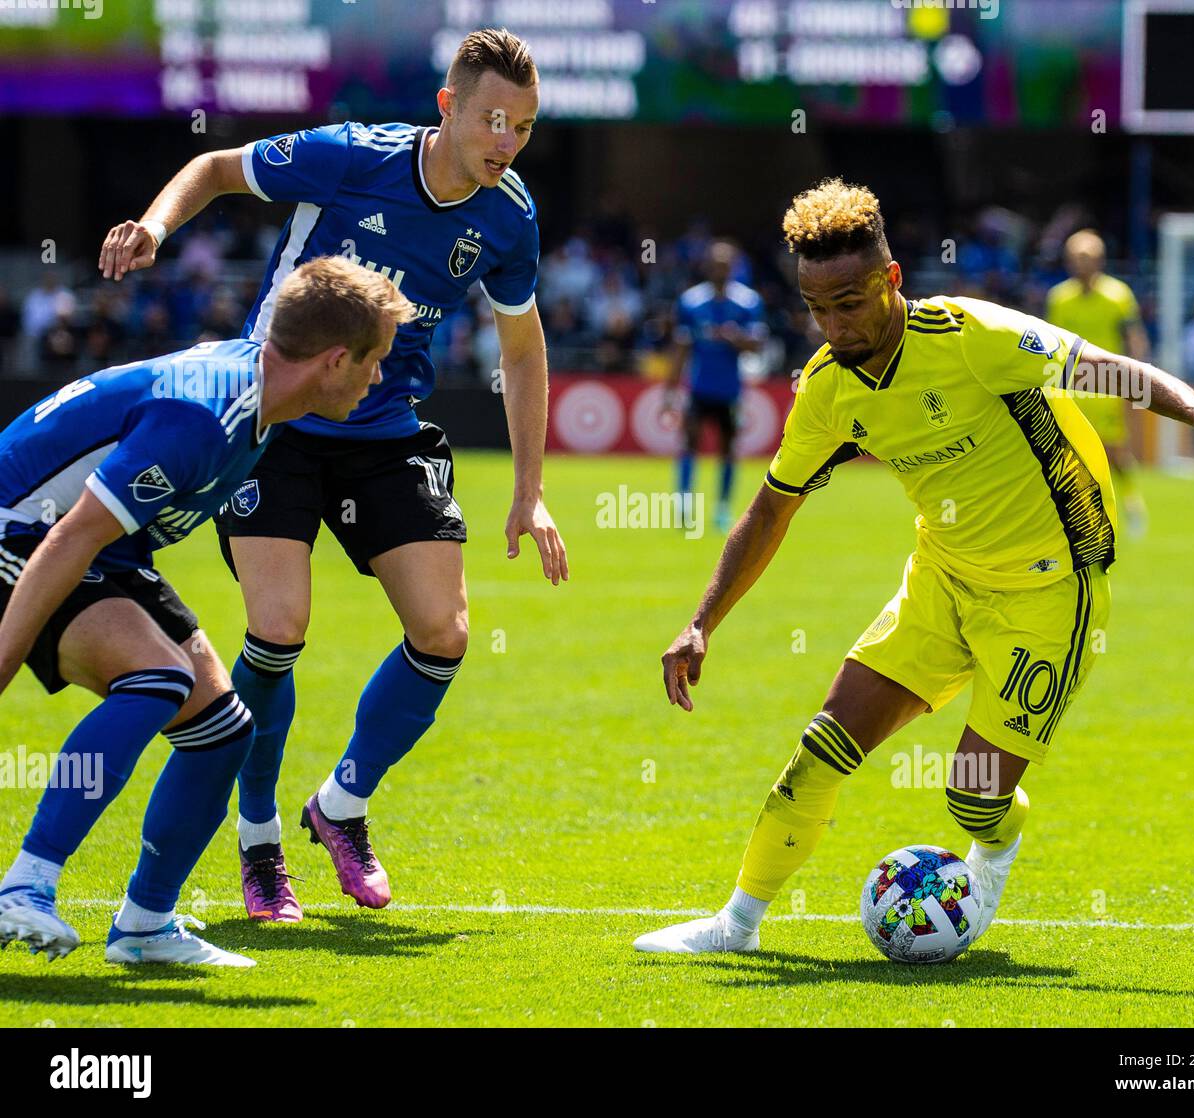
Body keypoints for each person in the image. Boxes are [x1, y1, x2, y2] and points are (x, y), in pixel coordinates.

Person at [634, 178, 1194, 955]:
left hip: (1049, 591)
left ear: (892, 278)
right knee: (820, 750)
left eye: (851, 302)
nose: (836, 325)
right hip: (939, 581)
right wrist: (702, 623)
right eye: (817, 308)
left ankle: (995, 846)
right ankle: (736, 925)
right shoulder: (830, 390)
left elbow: (1108, 370)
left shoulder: (976, 336)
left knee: (972, 800)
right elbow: (772, 509)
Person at [98, 28, 567, 923]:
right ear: (449, 108)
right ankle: (259, 837)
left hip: (384, 429)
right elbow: (218, 167)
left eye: (526, 126)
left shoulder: (509, 216)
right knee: (278, 628)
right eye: (493, 120)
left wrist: (529, 489)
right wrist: (156, 226)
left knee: (445, 631)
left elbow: (523, 345)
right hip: (273, 419)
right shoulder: (350, 156)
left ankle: (342, 805)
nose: (507, 141)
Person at [0, 257, 413, 964]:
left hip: (105, 550)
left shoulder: (263, 396)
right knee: (158, 679)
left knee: (223, 729)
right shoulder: (205, 414)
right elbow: (70, 535)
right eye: (374, 361)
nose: (378, 378)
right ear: (336, 358)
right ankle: (26, 887)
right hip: (24, 531)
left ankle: (145, 928)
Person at [1046, 229, 1151, 535]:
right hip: (1072, 386)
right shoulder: (1059, 298)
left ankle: (1131, 502)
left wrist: (1136, 380)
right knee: (1070, 452)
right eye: (1076, 258)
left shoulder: (1118, 295)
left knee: (1114, 450)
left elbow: (1133, 338)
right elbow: (1050, 344)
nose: (1081, 264)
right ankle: (1081, 513)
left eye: (1086, 258)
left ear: (1099, 260)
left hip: (1106, 385)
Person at [663, 241, 766, 532]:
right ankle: (684, 502)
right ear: (708, 267)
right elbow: (681, 347)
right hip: (698, 387)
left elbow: (757, 344)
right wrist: (670, 390)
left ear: (732, 268)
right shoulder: (691, 302)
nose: (720, 270)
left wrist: (735, 338)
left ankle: (722, 508)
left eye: (725, 265)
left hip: (730, 389)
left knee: (728, 448)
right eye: (715, 264)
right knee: (689, 443)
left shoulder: (747, 303)